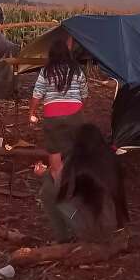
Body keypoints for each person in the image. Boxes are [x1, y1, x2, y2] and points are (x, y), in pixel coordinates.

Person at [29, 35, 88, 181]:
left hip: (53, 116)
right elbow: (84, 94)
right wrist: (79, 110)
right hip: (75, 114)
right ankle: (75, 188)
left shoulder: (46, 71)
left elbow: (37, 94)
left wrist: (31, 112)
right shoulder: (77, 70)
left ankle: (58, 189)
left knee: (55, 159)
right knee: (75, 153)